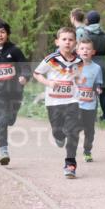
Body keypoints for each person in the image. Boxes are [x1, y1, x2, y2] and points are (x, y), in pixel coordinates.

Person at [33, 27, 83, 178]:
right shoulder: (51, 59)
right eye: (64, 39)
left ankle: (70, 163)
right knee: (58, 131)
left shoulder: (79, 61)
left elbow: (78, 78)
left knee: (72, 132)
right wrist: (48, 83)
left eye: (70, 39)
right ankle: (58, 137)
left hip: (72, 100)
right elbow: (37, 73)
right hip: (54, 102)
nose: (67, 42)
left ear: (75, 42)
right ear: (57, 42)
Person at [0, 19, 30, 165]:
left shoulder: (14, 50)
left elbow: (25, 67)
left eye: (2, 32)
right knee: (2, 119)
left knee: (10, 120)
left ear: (7, 34)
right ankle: (3, 149)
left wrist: (24, 77)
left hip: (15, 91)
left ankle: (1, 124)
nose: (0, 35)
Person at [75, 38, 105, 163]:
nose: (85, 51)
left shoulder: (97, 68)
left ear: (93, 52)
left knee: (89, 130)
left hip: (90, 104)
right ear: (77, 51)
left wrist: (98, 89)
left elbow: (98, 83)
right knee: (75, 127)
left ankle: (87, 151)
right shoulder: (74, 66)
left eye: (88, 49)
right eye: (82, 48)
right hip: (76, 103)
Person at [82, 10, 105, 121]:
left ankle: (92, 116)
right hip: (102, 63)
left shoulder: (85, 34)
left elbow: (82, 49)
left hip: (90, 63)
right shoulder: (104, 34)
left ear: (88, 20)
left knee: (91, 91)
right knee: (103, 92)